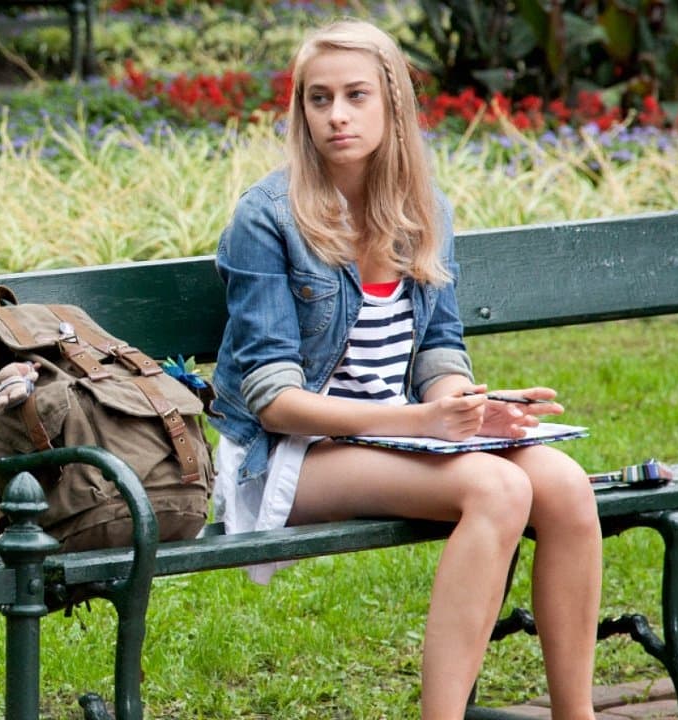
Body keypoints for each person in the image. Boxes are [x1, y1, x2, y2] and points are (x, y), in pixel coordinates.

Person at [208, 18, 603, 720]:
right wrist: (422, 421)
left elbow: (438, 350)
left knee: (566, 486)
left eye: (355, 95)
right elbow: (274, 400)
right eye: (319, 98)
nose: (337, 115)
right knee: (496, 488)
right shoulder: (267, 218)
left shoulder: (423, 210)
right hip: (290, 454)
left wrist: (467, 407)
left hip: (397, 432)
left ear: (392, 102)